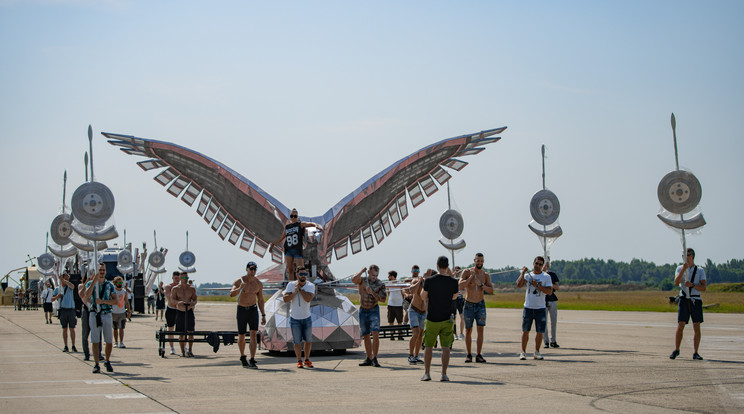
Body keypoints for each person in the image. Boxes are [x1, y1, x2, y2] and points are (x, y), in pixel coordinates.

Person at [420, 256, 459, 382]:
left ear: (437, 266)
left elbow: (422, 296)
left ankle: (427, 373)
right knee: (446, 347)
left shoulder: (430, 281)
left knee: (428, 346)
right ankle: (444, 373)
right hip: (447, 317)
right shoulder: (454, 282)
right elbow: (454, 297)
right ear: (447, 267)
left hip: (432, 317)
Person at [670, 248, 707, 361]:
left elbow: (704, 287)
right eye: (684, 255)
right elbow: (676, 282)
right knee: (681, 324)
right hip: (684, 298)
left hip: (695, 299)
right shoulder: (680, 268)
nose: (685, 257)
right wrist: (683, 270)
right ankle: (676, 349)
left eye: (688, 255)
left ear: (692, 256)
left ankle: (695, 352)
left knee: (696, 325)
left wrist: (692, 285)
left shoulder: (700, 270)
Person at [458, 252, 494, 363]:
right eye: (478, 260)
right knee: (468, 330)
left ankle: (478, 354)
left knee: (480, 329)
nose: (480, 263)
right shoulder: (467, 272)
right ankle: (469, 354)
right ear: (474, 260)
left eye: (481, 261)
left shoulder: (485, 274)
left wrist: (482, 285)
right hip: (469, 304)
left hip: (480, 305)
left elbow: (491, 290)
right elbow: (460, 286)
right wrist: (470, 278)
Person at [229, 261, 266, 368]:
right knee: (241, 335)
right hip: (242, 309)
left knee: (253, 334)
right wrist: (240, 288)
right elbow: (231, 294)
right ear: (247, 269)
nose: (253, 271)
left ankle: (253, 358)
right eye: (251, 269)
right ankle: (242, 356)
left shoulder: (258, 283)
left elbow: (260, 300)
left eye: (255, 269)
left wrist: (263, 314)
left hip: (253, 310)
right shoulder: (240, 280)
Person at [516, 256, 553, 361]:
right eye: (536, 263)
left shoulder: (546, 277)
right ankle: (523, 352)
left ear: (542, 266)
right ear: (533, 263)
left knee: (539, 331)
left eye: (540, 264)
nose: (538, 266)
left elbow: (549, 291)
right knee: (525, 330)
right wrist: (523, 273)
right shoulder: (528, 276)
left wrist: (538, 286)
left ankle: (537, 351)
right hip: (528, 307)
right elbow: (519, 284)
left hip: (540, 308)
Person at [81, 263, 117, 373]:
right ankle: (96, 364)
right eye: (100, 270)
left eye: (103, 270)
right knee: (95, 340)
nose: (102, 272)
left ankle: (107, 360)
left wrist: (103, 302)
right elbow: (86, 296)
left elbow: (115, 301)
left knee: (109, 340)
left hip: (106, 313)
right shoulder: (91, 284)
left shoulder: (110, 285)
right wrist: (93, 282)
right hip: (94, 313)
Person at [270, 208, 323, 281]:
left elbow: (309, 224)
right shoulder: (287, 227)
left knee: (301, 269)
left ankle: (301, 285)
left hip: (297, 250)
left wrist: (316, 225)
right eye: (292, 216)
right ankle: (290, 285)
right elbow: (281, 237)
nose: (293, 217)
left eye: (295, 216)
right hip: (288, 250)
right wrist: (273, 245)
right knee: (290, 270)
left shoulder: (300, 224)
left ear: (297, 217)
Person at [351, 265, 387, 367]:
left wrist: (373, 293)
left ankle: (375, 358)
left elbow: (383, 299)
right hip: (363, 310)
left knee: (375, 333)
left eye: (376, 275)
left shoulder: (380, 284)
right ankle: (369, 358)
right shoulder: (362, 280)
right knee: (366, 334)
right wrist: (361, 271)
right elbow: (353, 279)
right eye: (372, 275)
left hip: (373, 310)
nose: (374, 277)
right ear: (369, 273)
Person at [283, 267, 316, 368]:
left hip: (306, 317)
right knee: (297, 341)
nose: (303, 276)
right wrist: (294, 292)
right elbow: (285, 299)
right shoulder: (291, 285)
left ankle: (307, 359)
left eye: (305, 274)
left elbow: (308, 299)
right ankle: (299, 360)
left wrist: (300, 290)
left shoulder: (310, 286)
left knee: (308, 340)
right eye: (301, 274)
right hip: (295, 317)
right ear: (297, 274)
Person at [172, 271, 198, 357]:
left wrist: (192, 303)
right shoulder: (175, 289)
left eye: (187, 278)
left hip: (189, 311)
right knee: (181, 334)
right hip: (180, 312)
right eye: (183, 278)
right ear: (180, 278)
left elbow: (195, 299)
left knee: (190, 332)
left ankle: (190, 350)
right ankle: (183, 352)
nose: (185, 280)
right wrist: (178, 302)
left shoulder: (191, 289)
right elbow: (172, 300)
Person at [405, 265, 426, 364]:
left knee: (420, 335)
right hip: (414, 310)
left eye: (417, 270)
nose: (416, 271)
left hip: (423, 312)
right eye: (414, 270)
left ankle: (417, 355)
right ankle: (410, 355)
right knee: (416, 333)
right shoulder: (414, 281)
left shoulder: (427, 284)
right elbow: (411, 290)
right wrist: (419, 282)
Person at [52, 272, 78, 353]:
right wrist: (57, 296)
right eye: (65, 278)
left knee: (72, 329)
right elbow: (52, 299)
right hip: (63, 310)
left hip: (71, 309)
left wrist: (64, 280)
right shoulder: (58, 289)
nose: (67, 280)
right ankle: (66, 345)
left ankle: (73, 345)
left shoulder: (69, 287)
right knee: (64, 329)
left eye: (67, 278)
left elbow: (72, 286)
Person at [543, 260, 560, 348]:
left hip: (552, 299)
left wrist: (551, 284)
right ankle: (545, 341)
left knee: (553, 321)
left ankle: (553, 340)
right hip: (542, 300)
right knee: (543, 321)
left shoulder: (552, 274)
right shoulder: (540, 275)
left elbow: (557, 287)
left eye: (547, 263)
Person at [111, 276, 132, 349]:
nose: (120, 284)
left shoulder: (124, 292)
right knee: (115, 328)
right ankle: (116, 342)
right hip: (114, 312)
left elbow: (126, 301)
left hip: (122, 312)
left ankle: (121, 342)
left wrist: (129, 311)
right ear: (115, 283)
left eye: (121, 282)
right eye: (118, 282)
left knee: (121, 328)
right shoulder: (113, 291)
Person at [164, 272, 180, 355]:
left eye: (178, 278)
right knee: (171, 328)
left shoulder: (181, 287)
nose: (177, 280)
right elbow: (170, 299)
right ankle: (172, 347)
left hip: (180, 310)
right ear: (172, 278)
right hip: (171, 310)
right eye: (175, 278)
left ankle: (184, 346)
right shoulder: (168, 287)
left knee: (182, 329)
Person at [386, 270, 404, 340]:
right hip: (391, 304)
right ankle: (392, 335)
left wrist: (402, 301)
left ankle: (399, 335)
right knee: (391, 320)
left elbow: (402, 292)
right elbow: (388, 292)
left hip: (399, 305)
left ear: (392, 276)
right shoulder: (388, 283)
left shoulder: (399, 283)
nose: (388, 277)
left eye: (389, 275)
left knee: (399, 321)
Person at [453, 266, 466, 340]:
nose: (457, 272)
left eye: (458, 271)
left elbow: (465, 291)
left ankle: (461, 333)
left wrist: (460, 291)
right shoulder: (451, 279)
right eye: (456, 271)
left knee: (462, 316)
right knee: (454, 317)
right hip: (454, 300)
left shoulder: (461, 280)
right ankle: (455, 334)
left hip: (460, 299)